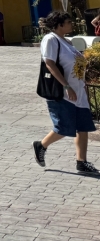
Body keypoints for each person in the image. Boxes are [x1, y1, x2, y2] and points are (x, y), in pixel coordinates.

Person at [32, 11, 98, 175]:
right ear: (59, 25)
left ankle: (81, 162)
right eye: (69, 22)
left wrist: (82, 84)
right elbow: (49, 63)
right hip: (63, 92)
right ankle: (42, 145)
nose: (72, 24)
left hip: (79, 92)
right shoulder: (51, 39)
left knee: (83, 127)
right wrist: (67, 86)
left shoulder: (67, 41)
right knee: (64, 127)